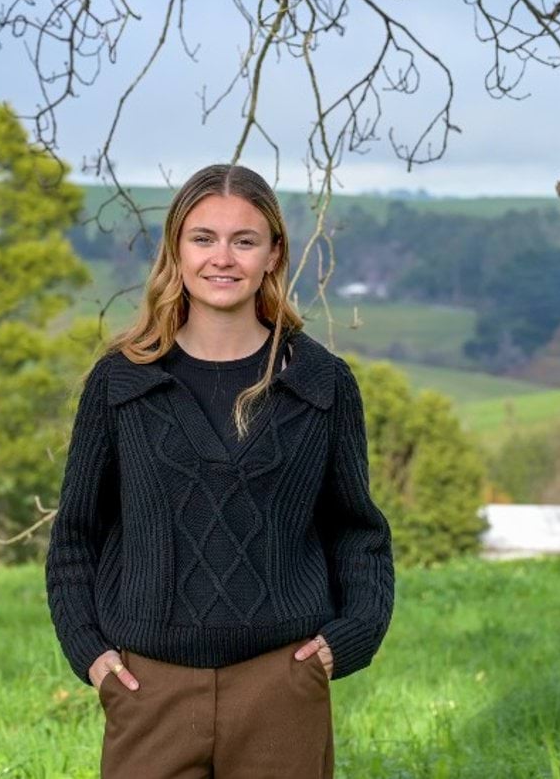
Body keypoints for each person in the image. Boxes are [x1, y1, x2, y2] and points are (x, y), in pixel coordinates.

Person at [46, 163, 396, 778]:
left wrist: (351, 637)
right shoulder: (121, 381)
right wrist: (91, 654)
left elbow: (357, 530)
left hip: (281, 685)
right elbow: (77, 534)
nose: (223, 259)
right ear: (177, 250)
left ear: (273, 254)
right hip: (146, 688)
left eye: (245, 240)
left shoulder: (320, 383)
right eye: (203, 238)